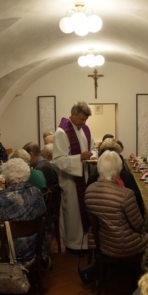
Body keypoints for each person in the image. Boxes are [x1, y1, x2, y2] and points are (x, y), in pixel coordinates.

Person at [0, 158, 49, 265]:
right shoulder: (37, 192)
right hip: (34, 246)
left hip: (9, 253)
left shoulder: (0, 200)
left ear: (6, 177)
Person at [85, 150, 146, 257]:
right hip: (122, 245)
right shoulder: (126, 194)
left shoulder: (89, 190)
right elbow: (138, 225)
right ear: (119, 169)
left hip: (99, 242)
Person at [53, 102, 97, 252]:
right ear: (73, 114)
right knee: (72, 212)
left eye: (85, 120)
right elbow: (58, 160)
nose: (83, 123)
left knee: (84, 209)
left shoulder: (84, 129)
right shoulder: (61, 132)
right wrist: (79, 158)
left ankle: (85, 242)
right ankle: (73, 244)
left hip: (84, 175)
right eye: (81, 119)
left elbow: (93, 147)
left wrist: (93, 155)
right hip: (70, 180)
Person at [87, 138, 145, 217]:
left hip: (100, 226)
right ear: (118, 158)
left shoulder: (92, 181)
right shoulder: (126, 178)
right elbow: (138, 202)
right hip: (123, 223)